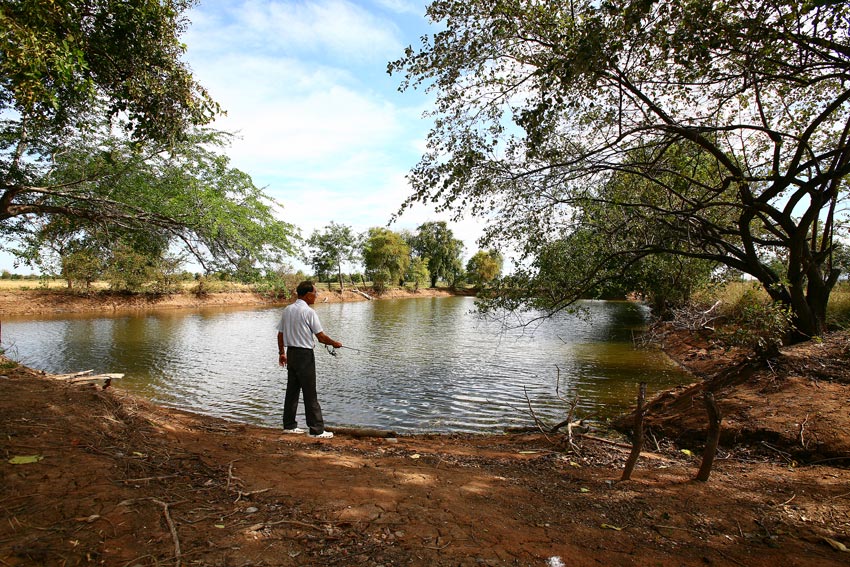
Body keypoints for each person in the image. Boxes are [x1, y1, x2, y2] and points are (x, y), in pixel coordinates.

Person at [276, 281, 342, 439]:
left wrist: (282, 353)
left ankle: (289, 426)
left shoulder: (287, 309)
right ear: (307, 295)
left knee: (292, 391)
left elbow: (280, 334)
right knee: (310, 393)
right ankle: (317, 430)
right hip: (305, 356)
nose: (317, 296)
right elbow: (320, 337)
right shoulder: (309, 312)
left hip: (291, 354)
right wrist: (335, 343)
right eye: (315, 293)